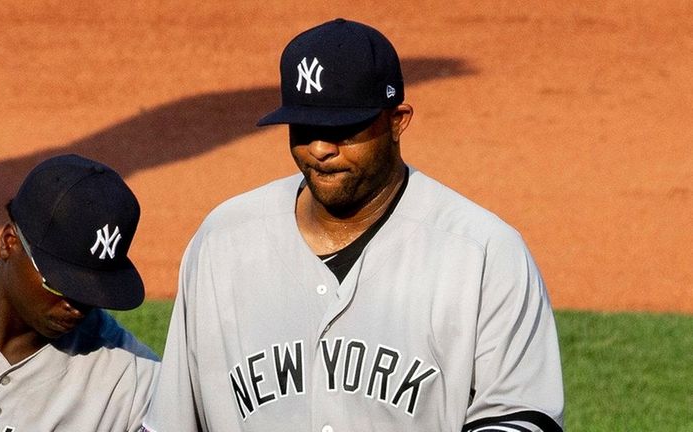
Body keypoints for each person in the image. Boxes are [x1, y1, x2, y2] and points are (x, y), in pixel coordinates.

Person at [143, 18, 564, 432]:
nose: (322, 149)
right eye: (305, 128)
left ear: (398, 121)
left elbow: (519, 418)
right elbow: (173, 418)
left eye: (343, 128)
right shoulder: (223, 242)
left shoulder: (482, 253)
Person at [0, 154, 160, 431]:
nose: (78, 307)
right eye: (62, 283)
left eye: (93, 292)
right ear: (9, 243)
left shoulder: (131, 381)